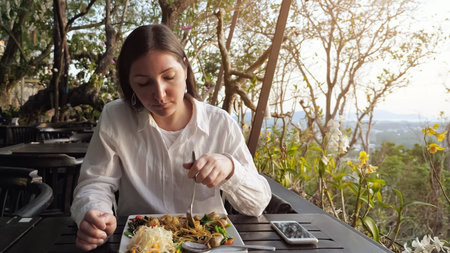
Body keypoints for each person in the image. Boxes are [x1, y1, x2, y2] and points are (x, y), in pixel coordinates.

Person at [70, 24, 272, 251]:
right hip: (140, 243)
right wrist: (95, 214)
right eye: (144, 83)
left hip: (207, 244)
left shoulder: (220, 124)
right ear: (129, 83)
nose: (159, 94)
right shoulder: (115, 117)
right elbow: (95, 184)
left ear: (185, 68)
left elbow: (257, 204)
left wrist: (230, 167)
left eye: (169, 77)